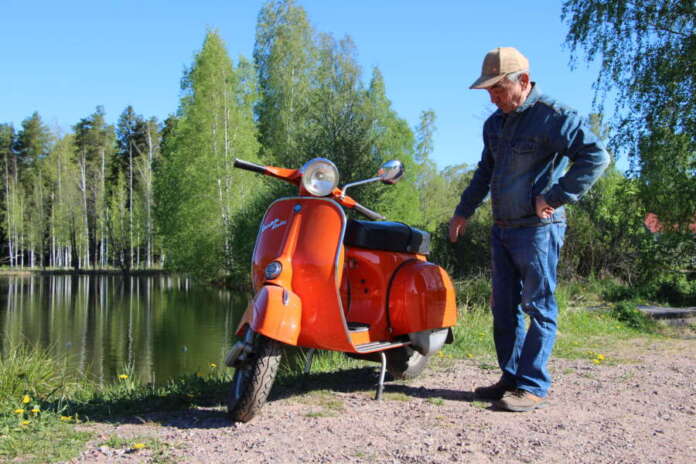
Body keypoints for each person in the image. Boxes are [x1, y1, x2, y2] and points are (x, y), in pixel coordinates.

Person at [449, 47, 609, 412]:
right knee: (503, 308)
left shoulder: (553, 117)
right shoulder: (494, 124)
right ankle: (511, 377)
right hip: (502, 229)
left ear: (523, 81)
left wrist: (555, 195)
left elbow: (596, 156)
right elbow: (484, 172)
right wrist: (463, 212)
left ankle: (533, 385)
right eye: (488, 91)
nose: (493, 98)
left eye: (498, 89)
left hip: (538, 230)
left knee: (538, 307)